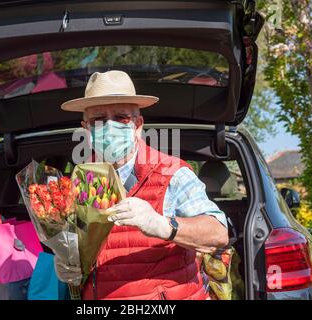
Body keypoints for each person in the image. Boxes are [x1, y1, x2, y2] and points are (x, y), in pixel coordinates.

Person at [58, 70, 228, 300]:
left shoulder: (171, 172)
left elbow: (217, 232)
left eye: (120, 117)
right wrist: (69, 267)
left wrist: (163, 225)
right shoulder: (81, 183)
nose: (109, 126)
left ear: (137, 125)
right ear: (87, 130)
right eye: (98, 120)